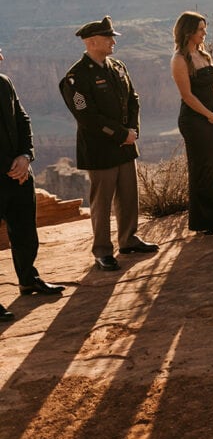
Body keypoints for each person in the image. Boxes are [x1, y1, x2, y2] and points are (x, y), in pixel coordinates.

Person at [59, 16, 158, 272]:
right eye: (108, 38)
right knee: (102, 202)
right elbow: (87, 117)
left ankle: (128, 240)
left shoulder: (117, 67)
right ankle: (102, 251)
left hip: (125, 143)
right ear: (92, 42)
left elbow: (133, 98)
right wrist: (119, 134)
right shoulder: (76, 78)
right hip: (100, 147)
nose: (113, 42)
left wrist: (133, 130)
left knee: (128, 195)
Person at [0, 47, 65, 321]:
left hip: (19, 174)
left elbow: (22, 120)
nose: (1, 57)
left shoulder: (3, 83)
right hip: (7, 173)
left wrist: (26, 156)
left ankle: (28, 279)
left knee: (25, 230)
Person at [170, 12, 213, 235]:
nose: (205, 32)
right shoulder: (179, 59)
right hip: (194, 120)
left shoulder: (202, 54)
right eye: (201, 29)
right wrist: (208, 114)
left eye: (204, 28)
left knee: (212, 165)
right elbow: (187, 95)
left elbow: (209, 85)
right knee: (201, 168)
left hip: (209, 116)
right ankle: (204, 222)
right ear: (188, 32)